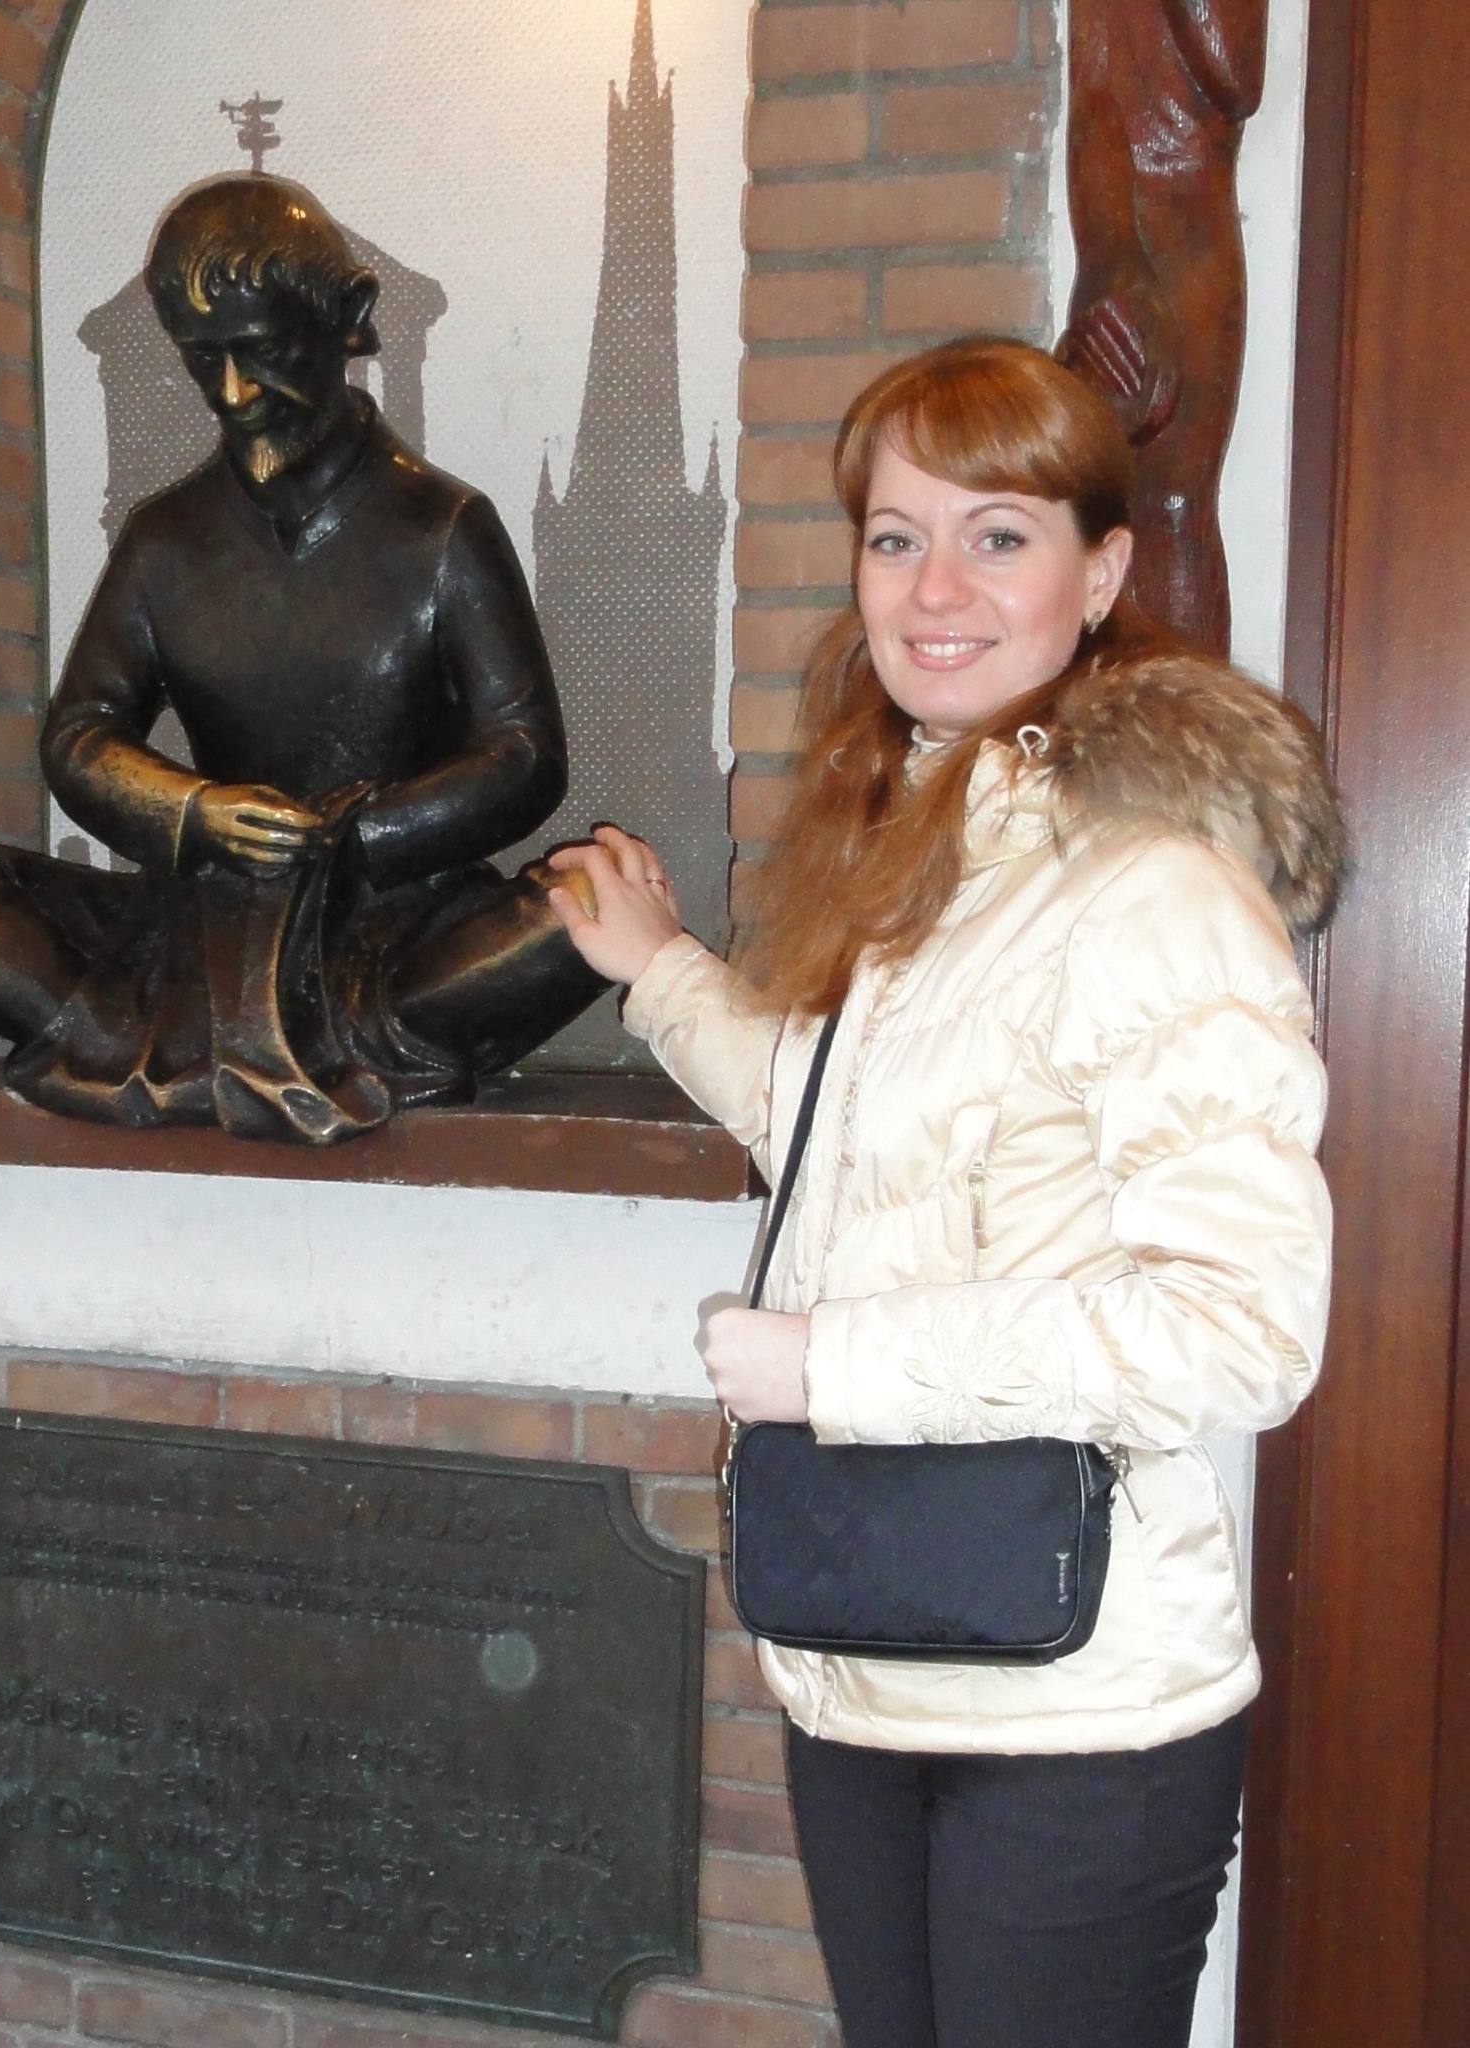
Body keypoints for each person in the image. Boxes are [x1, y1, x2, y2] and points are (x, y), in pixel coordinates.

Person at [548, 338, 1343, 2048]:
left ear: (1100, 573)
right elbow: (845, 1123)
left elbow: (1241, 1328)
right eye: (896, 537)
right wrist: (658, 968)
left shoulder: (1149, 887)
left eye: (998, 536)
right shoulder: (931, 853)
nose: (935, 590)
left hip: (1075, 1714)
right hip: (873, 1667)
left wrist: (832, 1365)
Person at [0, 177, 606, 1144]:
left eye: (264, 352)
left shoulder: (445, 528)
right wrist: (196, 815)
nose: (236, 394)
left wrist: (358, 839)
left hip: (392, 929)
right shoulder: (163, 540)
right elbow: (80, 734)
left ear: (349, 318)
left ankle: (252, 1048)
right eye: (204, 360)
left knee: (594, 906)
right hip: (194, 928)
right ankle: (199, 1040)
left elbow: (525, 755)